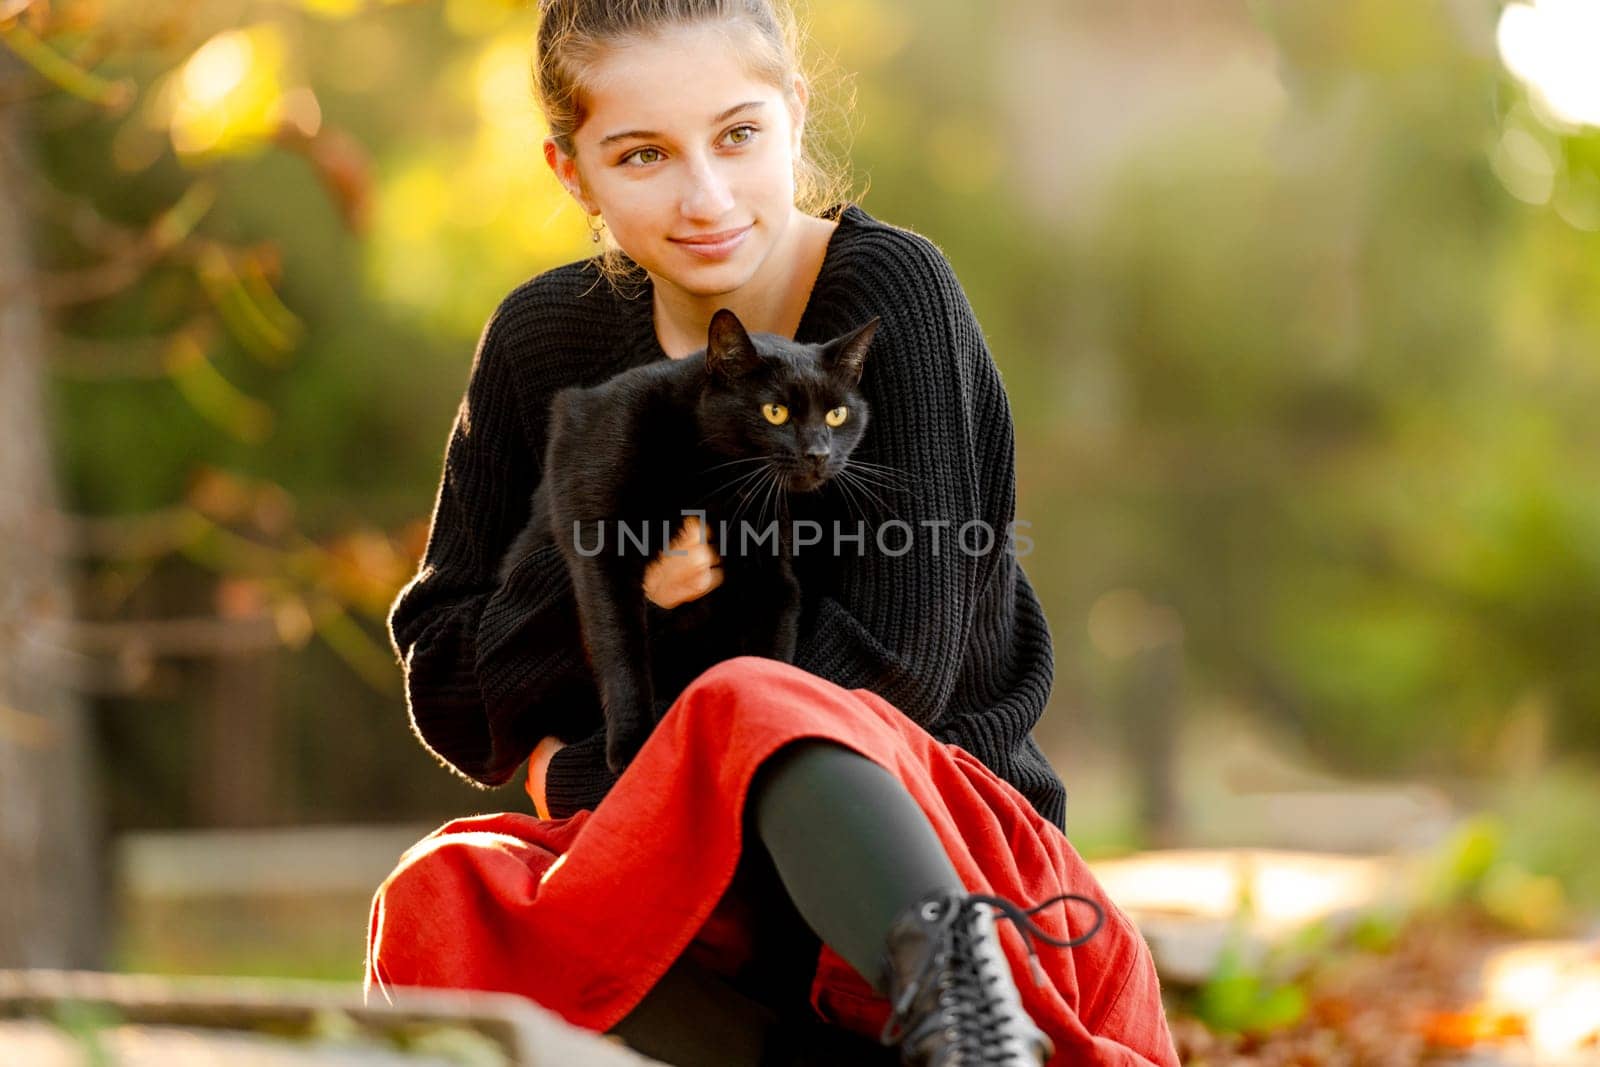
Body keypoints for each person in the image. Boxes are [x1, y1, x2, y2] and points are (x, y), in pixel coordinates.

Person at [365, 2, 1180, 1065]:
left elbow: (896, 673)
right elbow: (455, 691)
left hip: (940, 861)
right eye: (642, 153)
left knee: (753, 700)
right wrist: (610, 590)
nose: (704, 196)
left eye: (737, 134)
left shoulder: (893, 294)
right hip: (695, 905)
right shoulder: (542, 343)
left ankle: (977, 1041)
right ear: (573, 172)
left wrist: (584, 771)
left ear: (793, 114)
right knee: (440, 895)